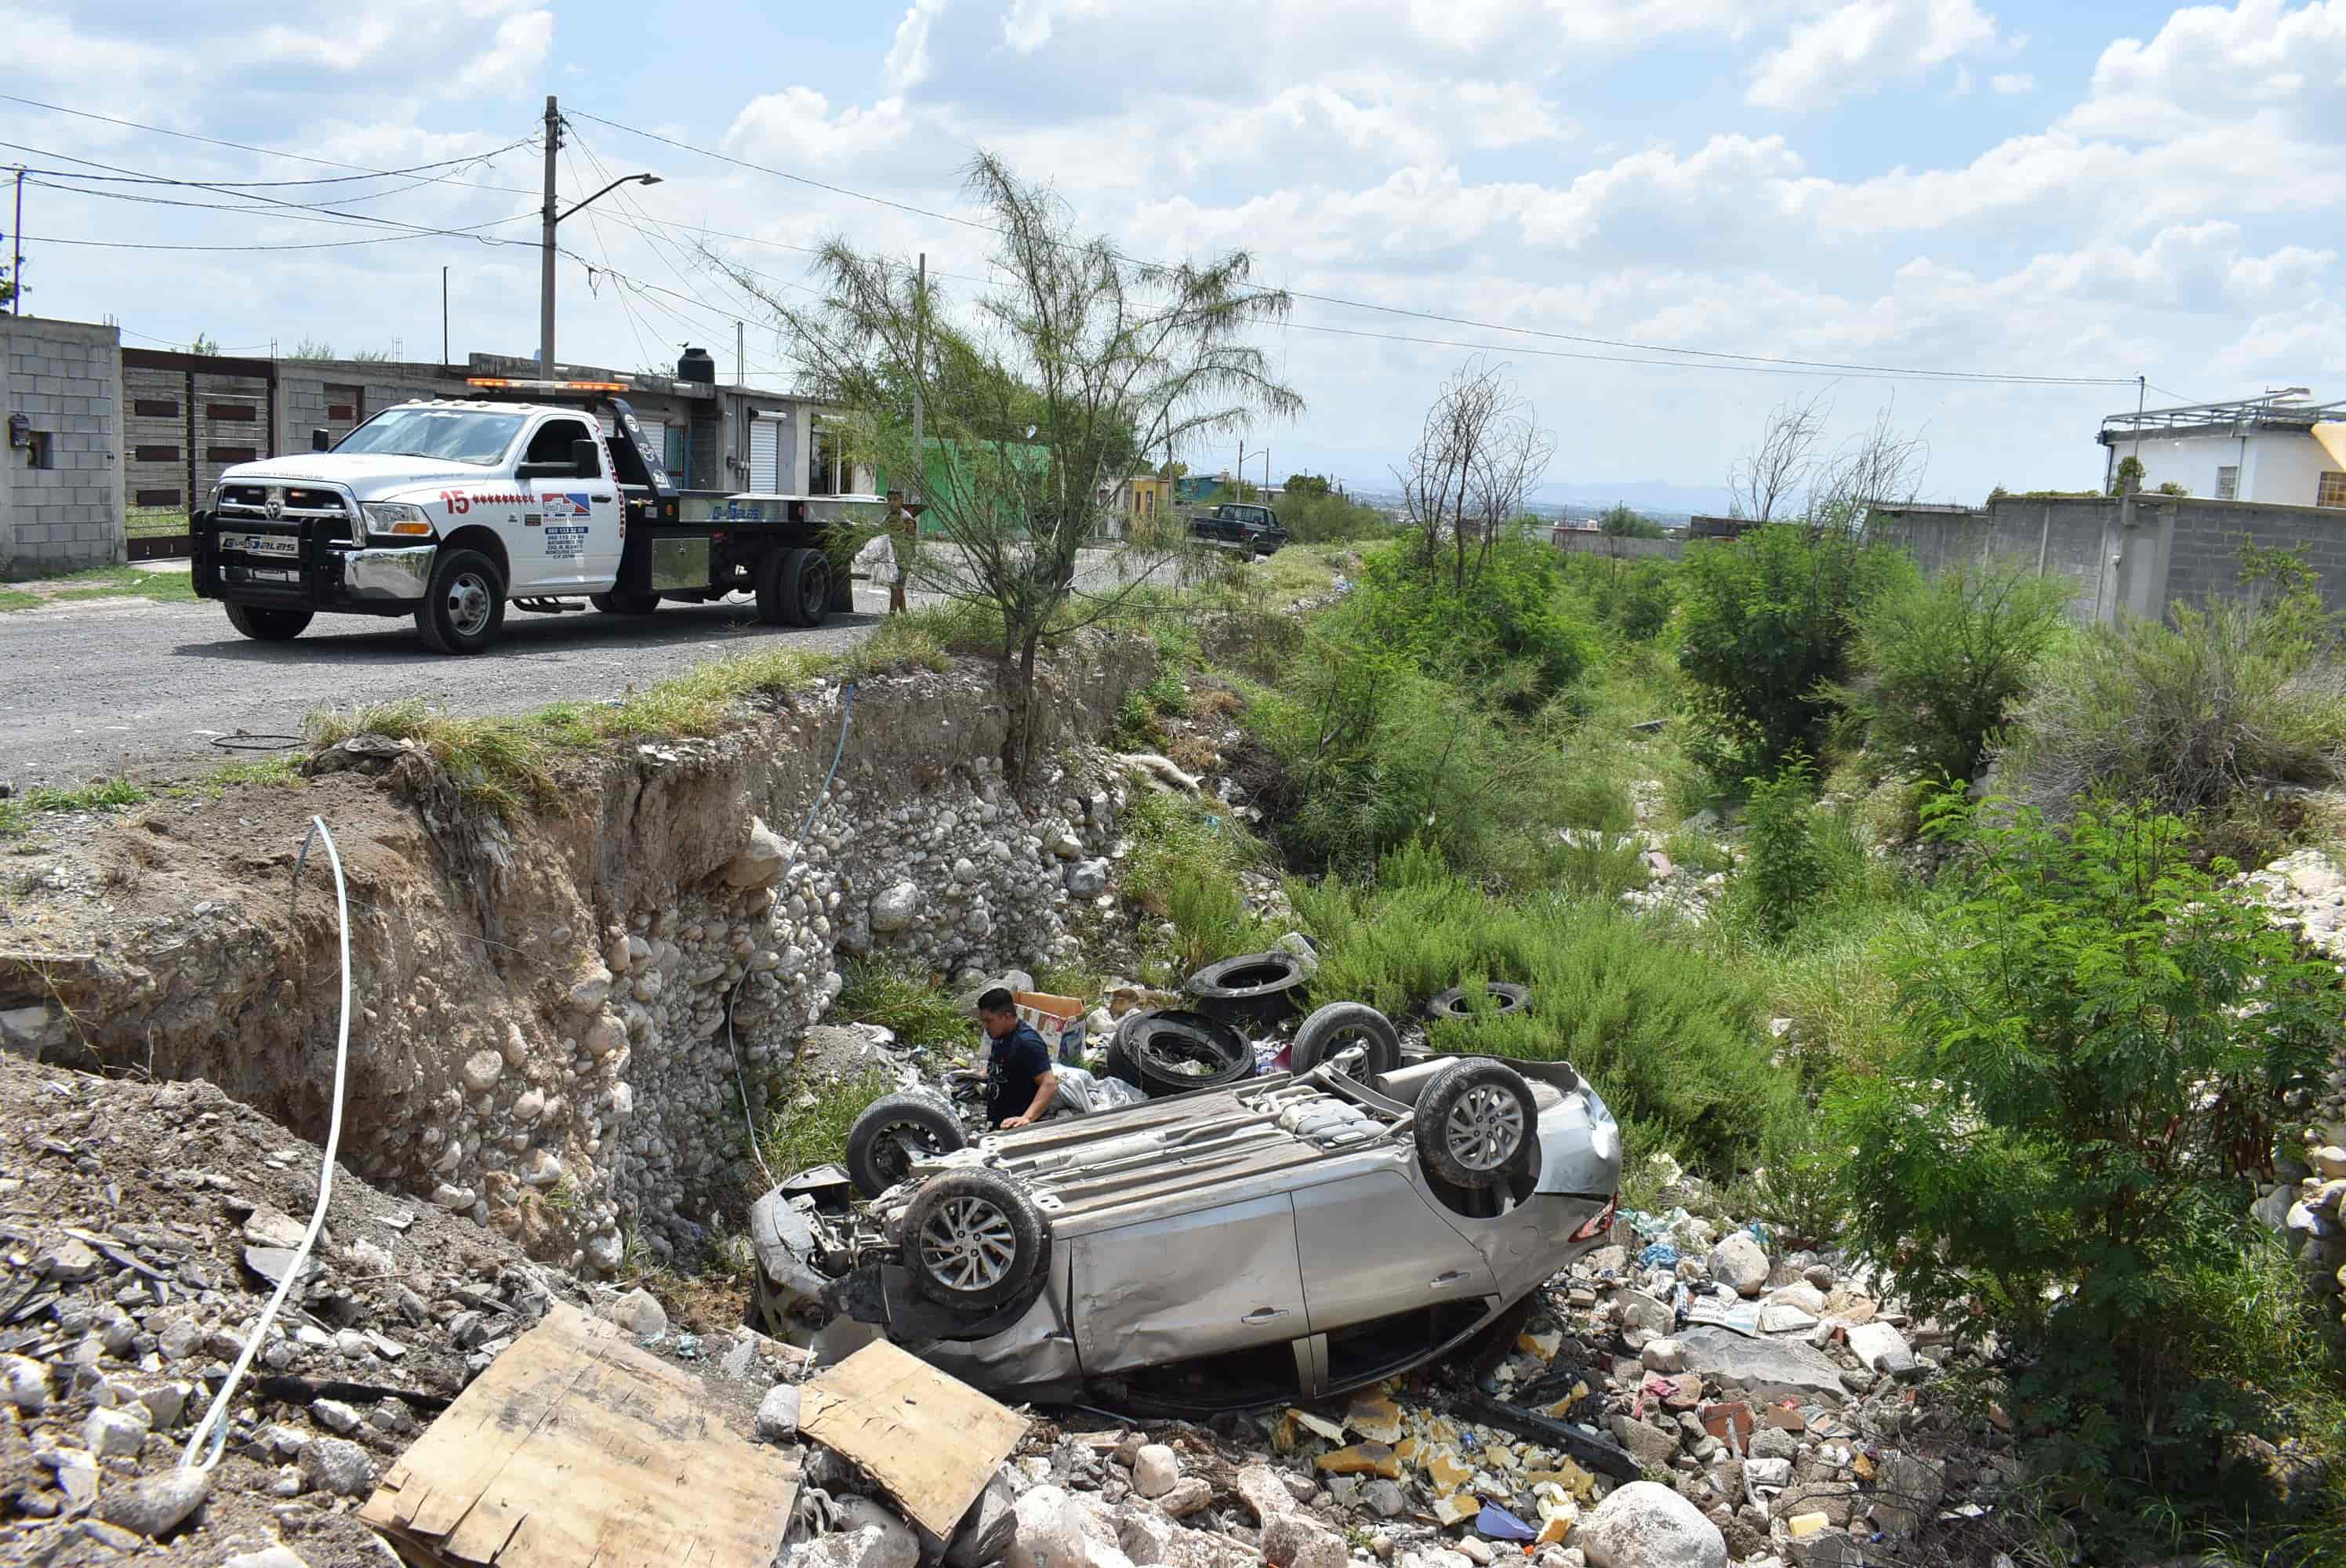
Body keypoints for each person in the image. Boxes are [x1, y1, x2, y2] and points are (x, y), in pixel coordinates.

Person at [978, 987, 1058, 1129]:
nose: (985, 1026)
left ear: (1006, 1016)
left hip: (1018, 1127)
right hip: (999, 1123)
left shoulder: (1026, 1043)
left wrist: (1026, 1118)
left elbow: (1049, 1084)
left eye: (989, 1021)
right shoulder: (1000, 1036)